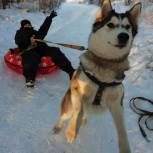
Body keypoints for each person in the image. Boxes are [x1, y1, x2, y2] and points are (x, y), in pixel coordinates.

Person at [15, 11, 75, 88]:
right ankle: (30, 79)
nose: (28, 25)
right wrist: (28, 39)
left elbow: (43, 29)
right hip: (27, 50)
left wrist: (49, 18)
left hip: (41, 48)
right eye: (26, 24)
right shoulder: (19, 32)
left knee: (55, 51)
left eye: (29, 24)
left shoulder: (35, 32)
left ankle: (71, 71)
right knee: (32, 56)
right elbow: (18, 41)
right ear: (22, 26)